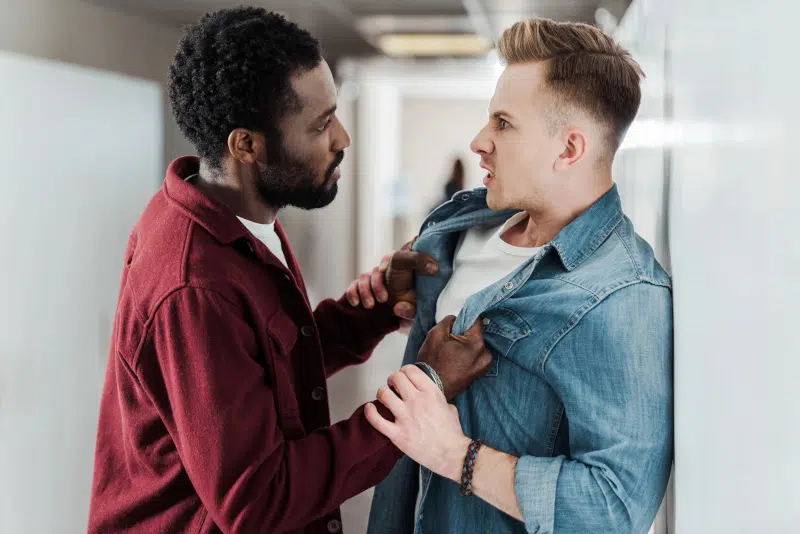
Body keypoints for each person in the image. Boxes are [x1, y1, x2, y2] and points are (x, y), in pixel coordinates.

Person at [87, 7, 491, 534]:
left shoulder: (239, 220)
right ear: (246, 145)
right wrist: (424, 390)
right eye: (321, 125)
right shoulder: (195, 282)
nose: (343, 138)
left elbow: (263, 364)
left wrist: (366, 314)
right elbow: (258, 500)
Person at [364, 18, 674, 534]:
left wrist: (453, 453)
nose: (479, 141)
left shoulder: (620, 296)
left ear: (569, 149)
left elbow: (614, 509)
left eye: (503, 123)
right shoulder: (460, 224)